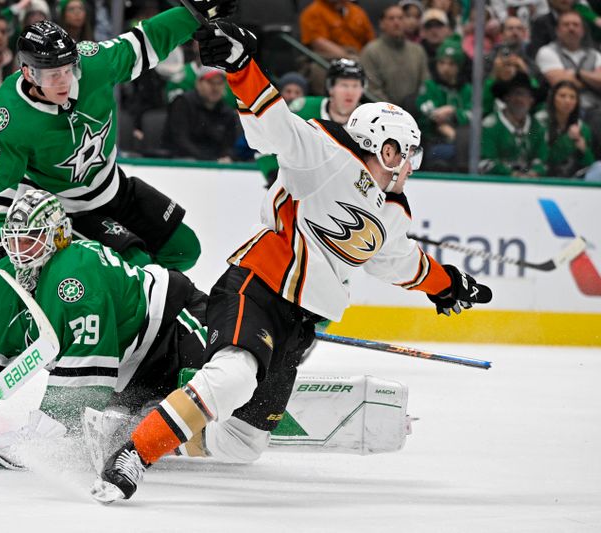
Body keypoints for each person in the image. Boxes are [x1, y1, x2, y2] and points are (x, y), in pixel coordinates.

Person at [91, 21, 493, 504]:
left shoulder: (388, 211)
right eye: (407, 155)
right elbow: (273, 122)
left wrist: (446, 285)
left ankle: (134, 429)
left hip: (298, 324)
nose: (411, 165)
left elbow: (398, 262)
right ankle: (135, 452)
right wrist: (241, 66)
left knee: (242, 444)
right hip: (257, 288)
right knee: (234, 373)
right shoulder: (326, 155)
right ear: (386, 149)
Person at [0, 189, 208, 462]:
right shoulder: (1, 289)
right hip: (127, 375)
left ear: (58, 237)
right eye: (13, 243)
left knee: (232, 423)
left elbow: (85, 380)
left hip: (177, 330)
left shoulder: (76, 274)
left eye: (30, 242)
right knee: (138, 437)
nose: (19, 254)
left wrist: (39, 441)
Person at [0, 3, 238, 274]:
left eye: (68, 70)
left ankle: (139, 301)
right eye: (53, 75)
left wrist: (194, 13)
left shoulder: (93, 64)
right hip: (66, 213)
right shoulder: (10, 117)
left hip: (115, 187)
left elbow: (146, 40)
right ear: (29, 73)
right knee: (137, 268)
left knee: (184, 249)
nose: (64, 82)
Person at [258, 59, 366, 185]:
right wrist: (273, 173)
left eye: (355, 86)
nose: (350, 92)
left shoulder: (370, 120)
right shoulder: (303, 110)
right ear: (331, 88)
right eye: (344, 85)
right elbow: (266, 141)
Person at [416, 42, 472, 170]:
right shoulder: (429, 86)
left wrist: (453, 111)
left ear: (459, 67)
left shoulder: (467, 89)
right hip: (433, 141)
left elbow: (472, 115)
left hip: (463, 140)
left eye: (451, 64)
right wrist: (441, 121)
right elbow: (429, 112)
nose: (445, 68)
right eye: (442, 63)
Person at [163, 65, 237, 162]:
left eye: (220, 83)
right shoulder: (183, 103)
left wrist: (227, 157)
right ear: (198, 83)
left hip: (215, 165)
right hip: (180, 161)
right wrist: (207, 159)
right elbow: (179, 140)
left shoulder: (228, 112)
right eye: (210, 82)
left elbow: (229, 145)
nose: (215, 88)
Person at [480, 72, 547, 176]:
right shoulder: (490, 126)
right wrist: (512, 174)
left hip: (530, 184)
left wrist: (534, 172)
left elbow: (542, 160)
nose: (520, 99)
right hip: (497, 185)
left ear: (531, 100)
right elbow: (485, 163)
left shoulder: (537, 127)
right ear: (506, 97)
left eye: (525, 95)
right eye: (516, 93)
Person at [361, 5, 429, 107]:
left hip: (415, 112)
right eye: (391, 18)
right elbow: (372, 89)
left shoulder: (418, 51)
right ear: (382, 23)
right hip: (383, 112)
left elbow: (425, 84)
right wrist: (394, 110)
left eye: (401, 18)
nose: (396, 22)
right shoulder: (371, 51)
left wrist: (416, 105)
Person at [535, 10, 601, 113]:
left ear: (583, 30)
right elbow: (561, 83)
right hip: (563, 111)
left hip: (596, 108)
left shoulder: (595, 54)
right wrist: (592, 80)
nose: (571, 28)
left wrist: (578, 74)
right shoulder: (547, 52)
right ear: (557, 30)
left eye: (576, 25)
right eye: (566, 25)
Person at [535, 80, 596, 177]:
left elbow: (591, 165)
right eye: (562, 96)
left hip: (571, 180)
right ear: (553, 98)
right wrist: (567, 140)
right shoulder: (539, 121)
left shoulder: (582, 128)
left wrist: (582, 148)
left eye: (572, 97)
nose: (568, 101)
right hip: (541, 177)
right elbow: (545, 158)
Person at [299, 0, 375, 61]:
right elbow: (318, 42)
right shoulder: (313, 12)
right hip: (329, 58)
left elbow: (370, 41)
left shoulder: (357, 11)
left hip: (359, 55)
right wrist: (347, 57)